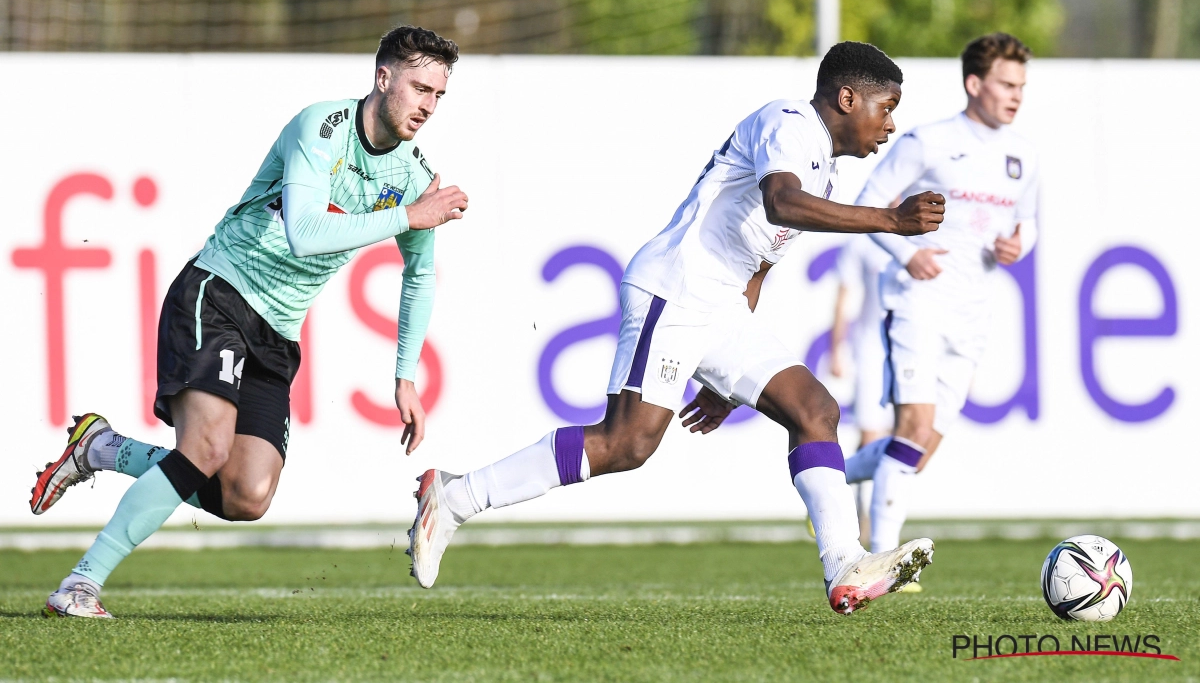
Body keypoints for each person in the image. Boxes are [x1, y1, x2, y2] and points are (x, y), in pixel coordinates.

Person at [407, 42, 946, 615]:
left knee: (815, 410)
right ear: (847, 98)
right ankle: (455, 495)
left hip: (720, 309)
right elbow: (782, 204)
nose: (889, 124)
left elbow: (758, 266)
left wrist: (722, 382)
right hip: (675, 288)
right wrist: (891, 220)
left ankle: (843, 565)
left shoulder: (827, 170)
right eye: (885, 107)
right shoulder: (788, 122)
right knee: (626, 444)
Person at [31, 25, 469, 619]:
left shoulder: (414, 178)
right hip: (219, 293)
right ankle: (81, 583)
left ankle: (104, 449)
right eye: (419, 87)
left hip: (278, 334)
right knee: (206, 446)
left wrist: (405, 375)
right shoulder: (321, 128)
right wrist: (409, 218)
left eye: (439, 95)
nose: (427, 106)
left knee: (246, 494)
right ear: (383, 77)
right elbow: (306, 232)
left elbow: (419, 275)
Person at [843, 32, 1039, 556]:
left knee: (919, 450)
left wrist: (1019, 244)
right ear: (975, 84)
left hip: (973, 310)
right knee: (914, 427)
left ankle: (831, 473)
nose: (1016, 94)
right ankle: (882, 556)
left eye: (1021, 85)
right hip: (917, 299)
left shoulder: (1023, 156)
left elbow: (1028, 224)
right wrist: (910, 254)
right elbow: (868, 204)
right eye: (1006, 83)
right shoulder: (926, 142)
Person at [829, 233, 895, 547]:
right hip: (872, 351)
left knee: (903, 442)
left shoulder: (928, 235)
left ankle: (835, 491)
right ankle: (869, 534)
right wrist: (836, 347)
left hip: (909, 348)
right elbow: (845, 294)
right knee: (872, 437)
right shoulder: (864, 241)